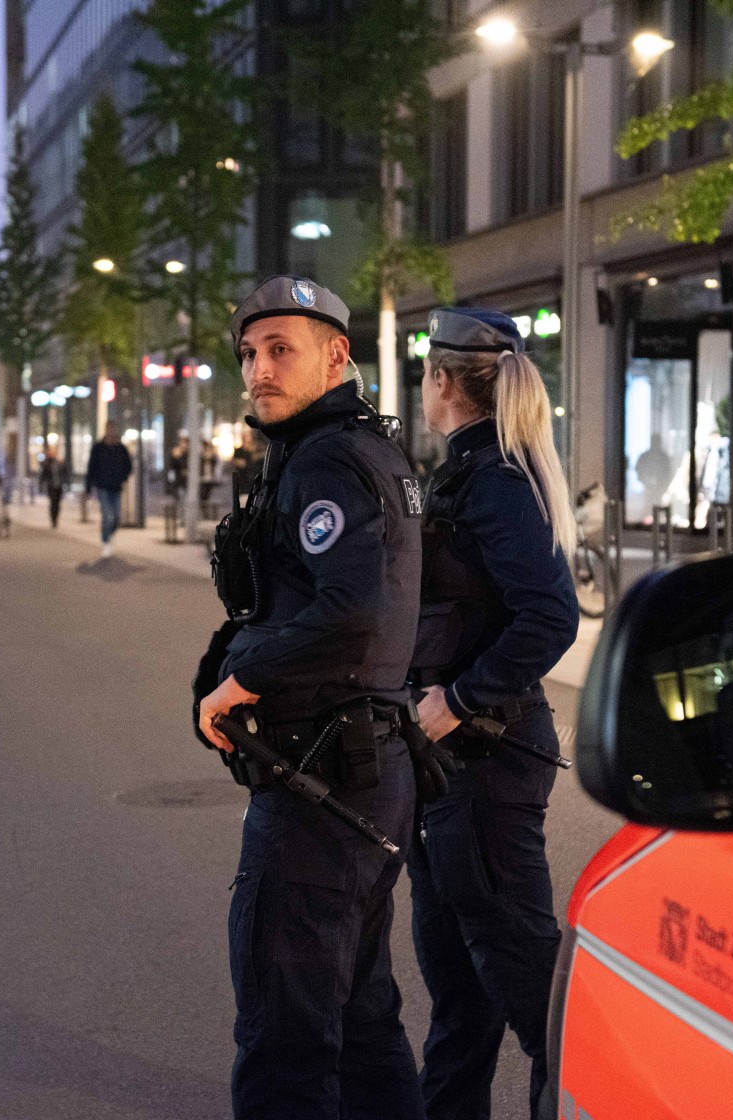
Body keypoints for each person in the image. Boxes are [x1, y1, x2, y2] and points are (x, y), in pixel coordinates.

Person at [194, 276, 438, 1120]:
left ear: (337, 355)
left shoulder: (330, 458)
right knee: (362, 1018)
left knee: (284, 1038)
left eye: (280, 350)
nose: (258, 370)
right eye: (250, 354)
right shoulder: (356, 449)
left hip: (322, 782)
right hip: (361, 770)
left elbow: (353, 611)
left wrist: (240, 683)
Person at [407, 308, 581, 1120]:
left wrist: (459, 699)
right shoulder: (467, 471)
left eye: (423, 373)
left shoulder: (494, 482)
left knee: (531, 992)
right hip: (455, 765)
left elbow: (550, 615)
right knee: (461, 991)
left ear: (442, 382)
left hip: (485, 758)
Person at [85, 423, 133, 558]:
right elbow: (91, 467)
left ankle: (110, 535)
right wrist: (89, 486)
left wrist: (123, 477)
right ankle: (105, 542)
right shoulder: (98, 448)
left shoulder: (121, 448)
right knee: (106, 516)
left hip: (116, 487)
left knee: (117, 516)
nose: (111, 432)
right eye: (109, 429)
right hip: (103, 487)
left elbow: (128, 465)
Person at [38, 445, 68, 529]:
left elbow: (65, 473)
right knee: (53, 502)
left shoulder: (60, 463)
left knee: (57, 503)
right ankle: (53, 520)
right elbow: (43, 476)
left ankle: (56, 519)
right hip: (51, 486)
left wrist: (64, 481)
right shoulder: (46, 464)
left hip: (59, 486)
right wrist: (41, 485)